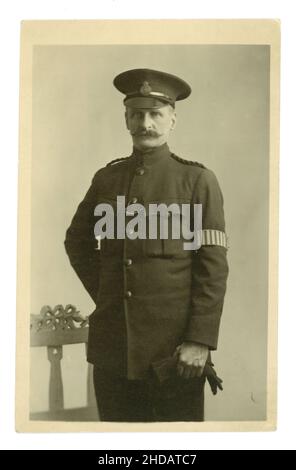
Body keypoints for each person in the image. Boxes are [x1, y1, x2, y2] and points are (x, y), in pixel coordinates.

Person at [64, 68, 229, 422]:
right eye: (137, 114)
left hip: (175, 355)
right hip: (114, 352)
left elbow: (212, 268)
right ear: (126, 119)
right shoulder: (106, 179)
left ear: (172, 119)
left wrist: (200, 340)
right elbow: (77, 241)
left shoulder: (197, 181)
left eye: (155, 114)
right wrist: (110, 293)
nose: (146, 122)